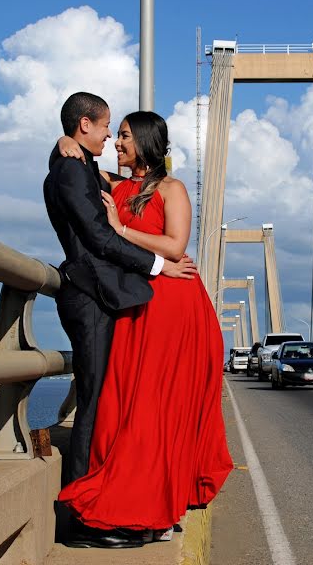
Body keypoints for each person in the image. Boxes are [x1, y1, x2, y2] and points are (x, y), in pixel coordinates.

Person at [56, 111, 233, 546]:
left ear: (148, 142)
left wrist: (121, 229)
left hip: (173, 303)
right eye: (115, 134)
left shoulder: (171, 189)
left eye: (125, 136)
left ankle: (151, 500)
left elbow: (175, 247)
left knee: (155, 403)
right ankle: (154, 498)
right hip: (140, 304)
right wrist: (62, 142)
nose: (117, 142)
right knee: (131, 401)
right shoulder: (118, 184)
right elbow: (80, 164)